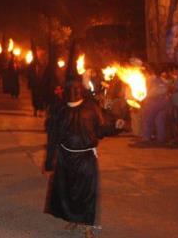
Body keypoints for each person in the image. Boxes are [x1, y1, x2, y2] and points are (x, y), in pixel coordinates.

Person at [44, 79, 124, 238]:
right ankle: (73, 218)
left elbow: (101, 130)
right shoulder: (59, 110)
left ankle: (87, 225)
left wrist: (116, 126)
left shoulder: (91, 108)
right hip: (65, 156)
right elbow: (52, 137)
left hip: (85, 157)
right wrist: (49, 162)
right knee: (67, 190)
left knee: (87, 192)